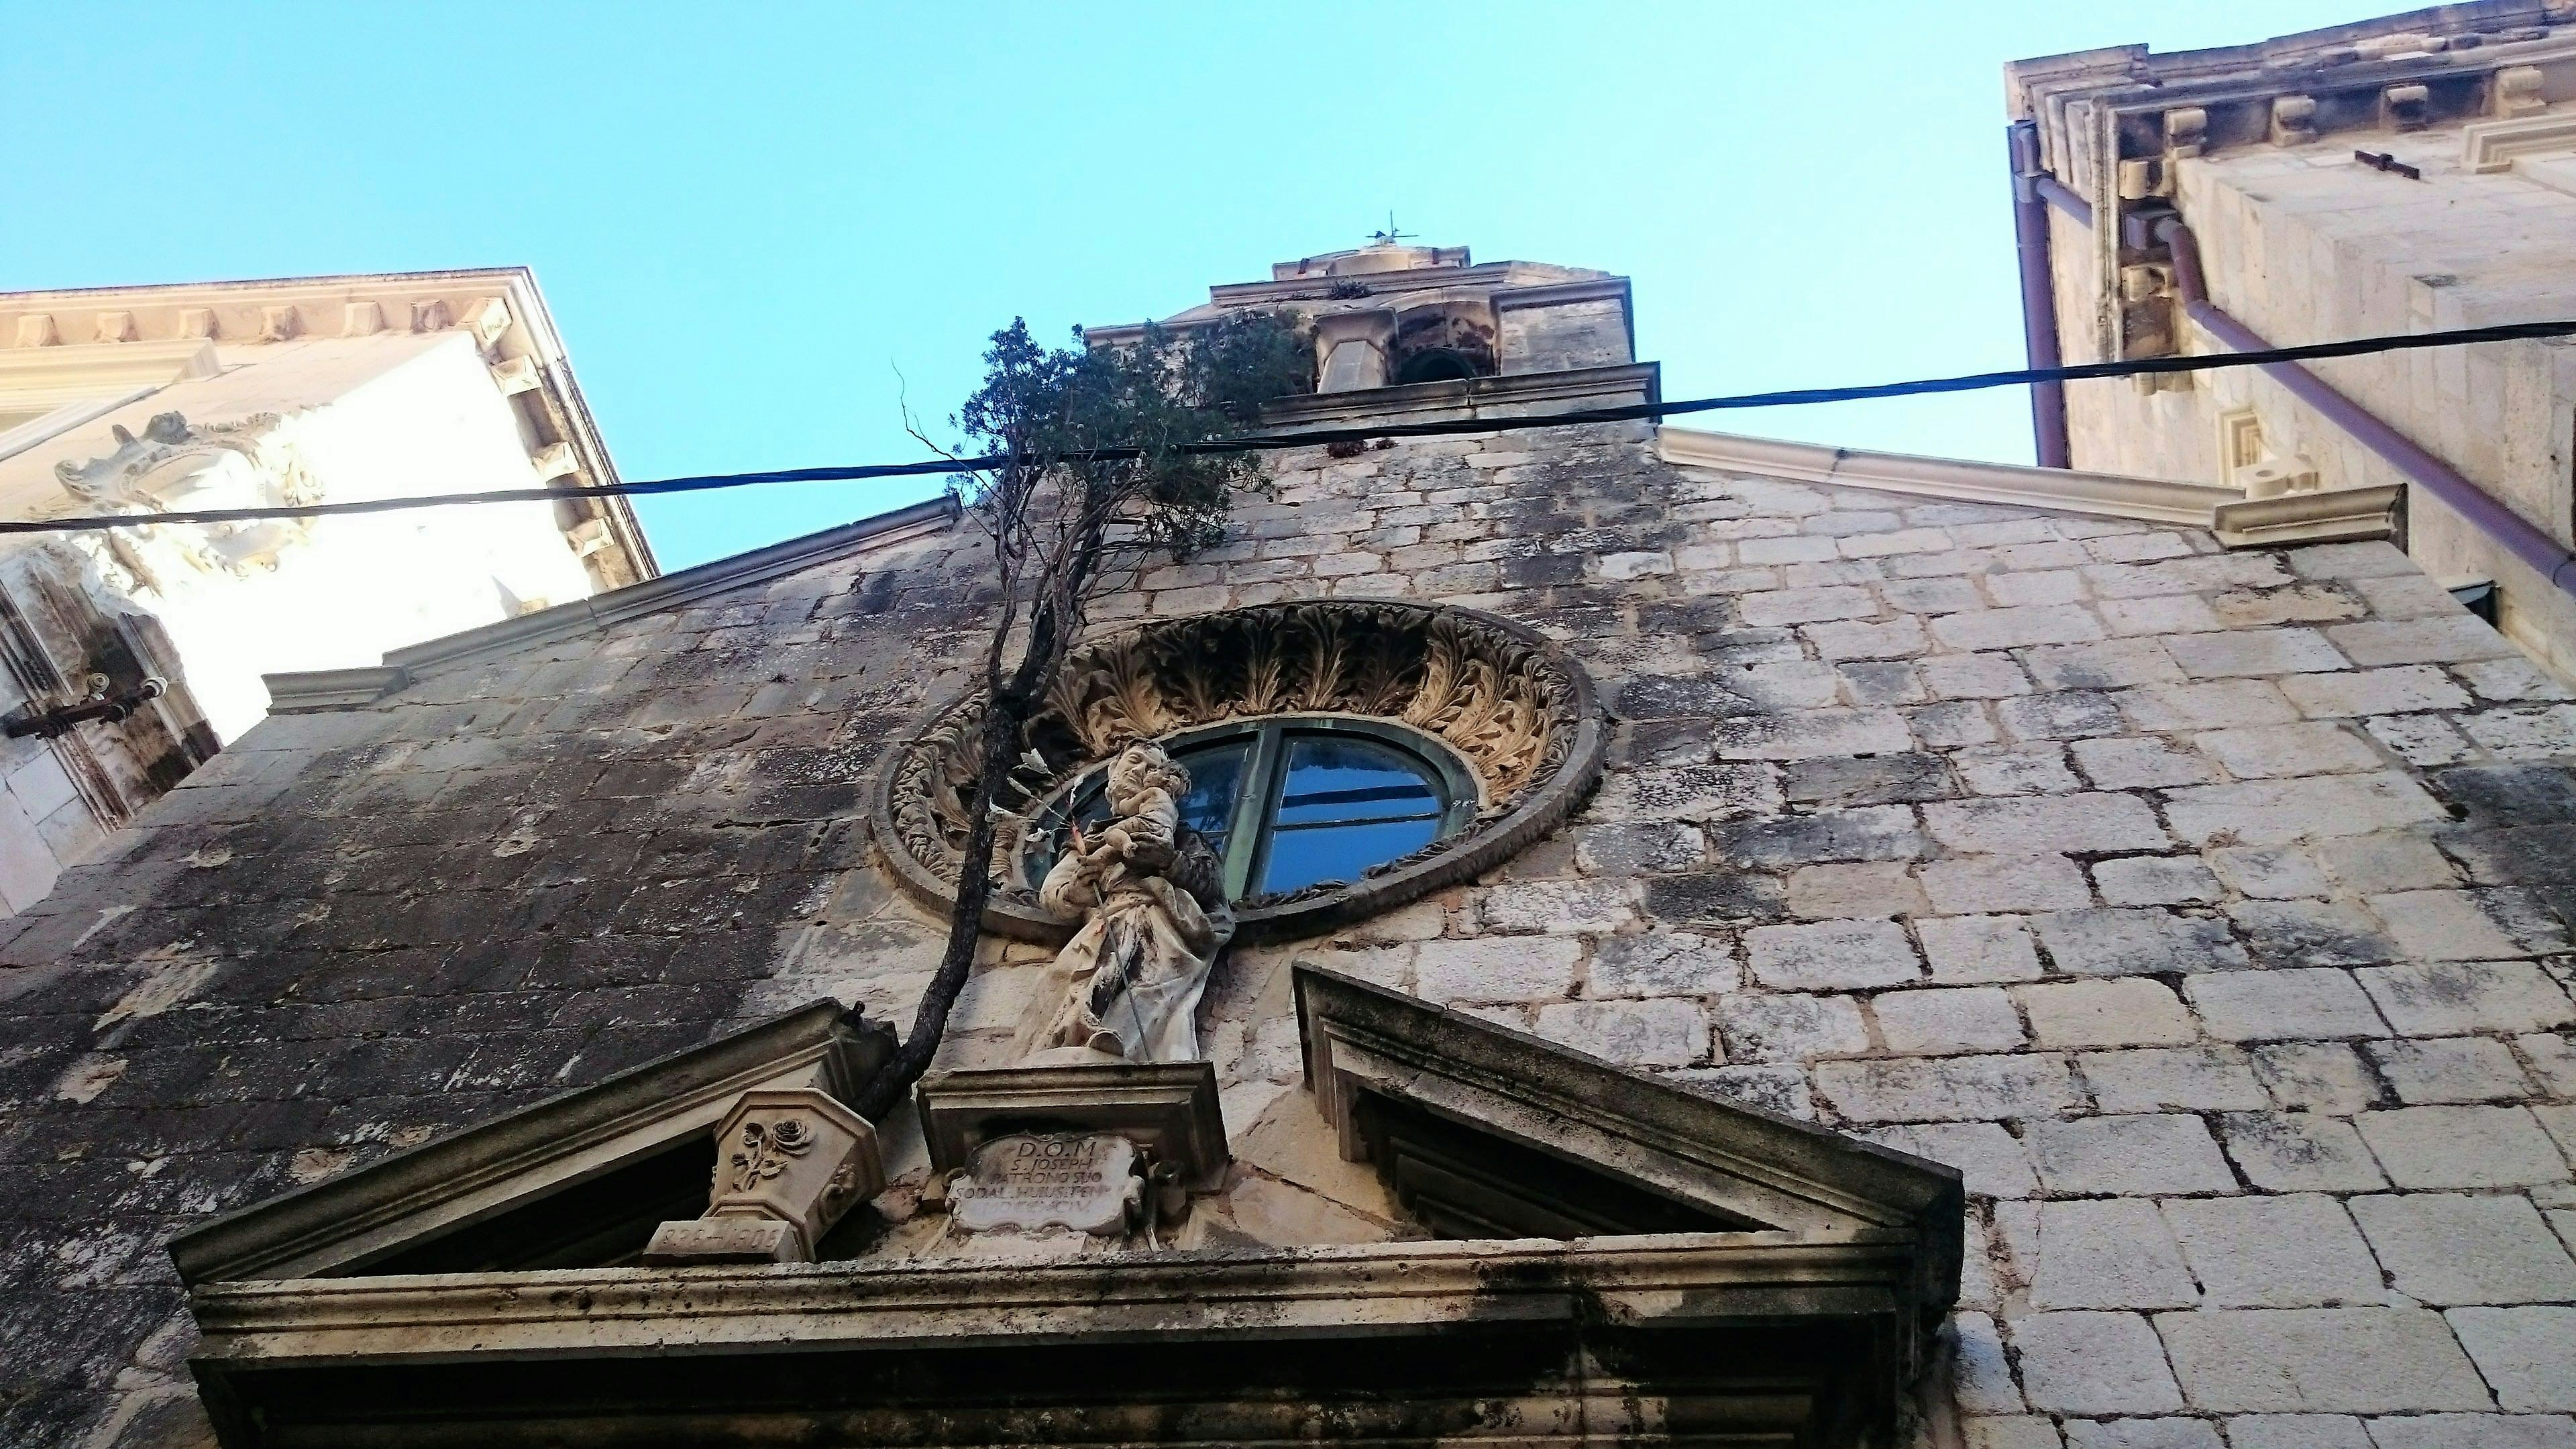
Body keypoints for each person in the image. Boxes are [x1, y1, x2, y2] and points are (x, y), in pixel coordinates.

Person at [1011, 741, 1233, 1063]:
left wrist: (1170, 861)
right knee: (1077, 982)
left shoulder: (1182, 837)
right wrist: (1079, 889)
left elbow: (1210, 885)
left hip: (1158, 920)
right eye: (1134, 760)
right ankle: (1071, 1038)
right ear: (1112, 776)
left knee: (1148, 984)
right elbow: (1053, 896)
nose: (1142, 770)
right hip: (1102, 924)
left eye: (1153, 767)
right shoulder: (1089, 842)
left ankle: (1118, 1042)